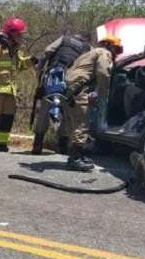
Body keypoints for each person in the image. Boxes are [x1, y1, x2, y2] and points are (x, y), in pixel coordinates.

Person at [63, 35, 123, 171]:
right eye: (116, 49)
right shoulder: (104, 53)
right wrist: (103, 94)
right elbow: (103, 73)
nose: (116, 53)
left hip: (71, 90)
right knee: (82, 124)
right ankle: (75, 159)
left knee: (75, 124)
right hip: (79, 90)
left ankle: (78, 155)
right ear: (109, 45)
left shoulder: (90, 52)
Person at [0, 17, 34, 152]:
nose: (21, 37)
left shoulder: (14, 49)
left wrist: (31, 61)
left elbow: (20, 65)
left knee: (7, 119)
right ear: (12, 33)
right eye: (19, 34)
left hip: (10, 91)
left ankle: (1, 144)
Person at [30, 34, 91, 154]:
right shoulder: (88, 48)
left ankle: (38, 143)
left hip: (53, 77)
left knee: (45, 109)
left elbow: (48, 51)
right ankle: (63, 144)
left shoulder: (64, 39)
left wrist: (39, 67)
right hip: (72, 82)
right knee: (68, 112)